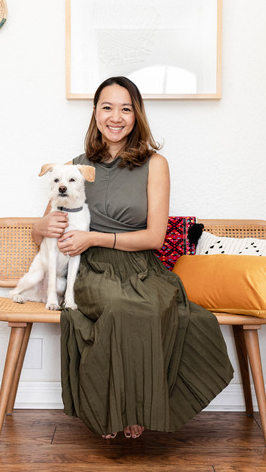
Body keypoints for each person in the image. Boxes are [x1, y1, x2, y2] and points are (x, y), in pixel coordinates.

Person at [31, 76, 234, 440]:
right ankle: (115, 409)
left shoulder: (155, 164)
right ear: (95, 113)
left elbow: (155, 237)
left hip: (141, 265)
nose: (116, 117)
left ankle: (135, 404)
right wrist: (43, 226)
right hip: (90, 266)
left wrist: (94, 235)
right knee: (121, 307)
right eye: (107, 107)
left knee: (155, 307)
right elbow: (43, 232)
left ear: (136, 115)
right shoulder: (75, 167)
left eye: (126, 108)